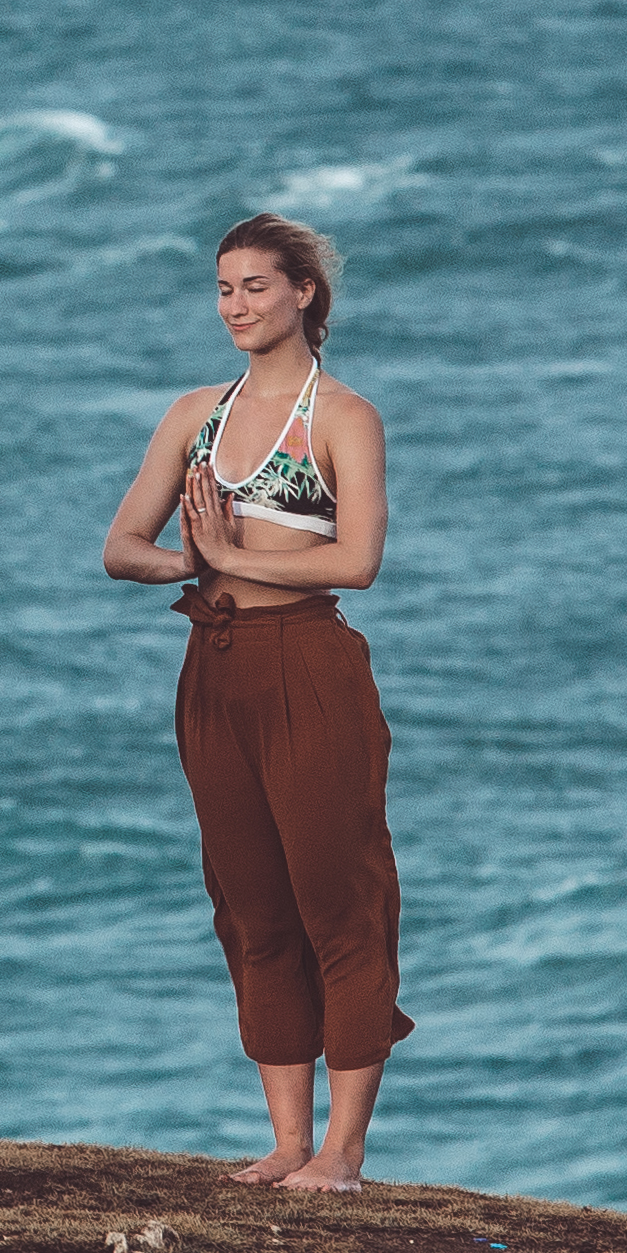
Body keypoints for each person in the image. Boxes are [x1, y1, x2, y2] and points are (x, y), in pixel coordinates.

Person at [102, 213, 400, 1192]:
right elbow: (120, 545)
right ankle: (284, 1139)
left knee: (336, 902)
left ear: (303, 293)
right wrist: (190, 561)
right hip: (212, 668)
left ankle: (342, 1152)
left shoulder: (339, 417)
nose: (234, 304)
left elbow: (356, 560)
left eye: (255, 286)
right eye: (223, 287)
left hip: (306, 667)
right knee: (247, 906)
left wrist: (228, 552)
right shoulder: (195, 412)